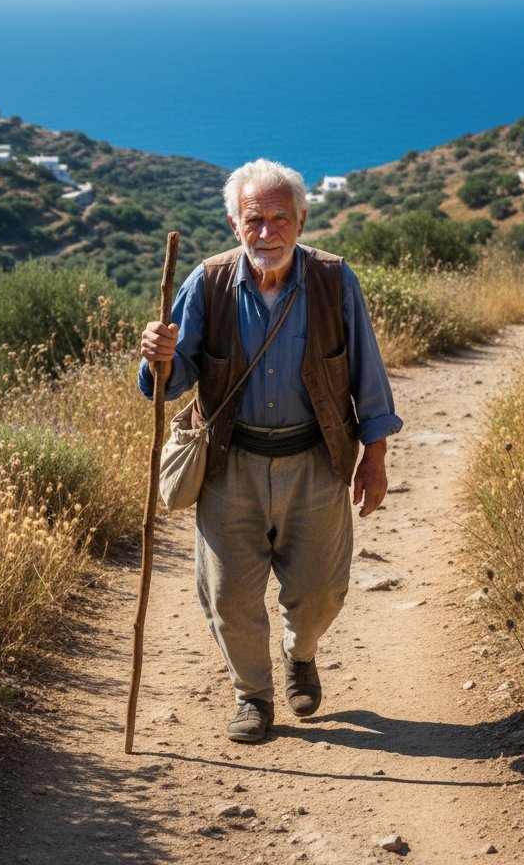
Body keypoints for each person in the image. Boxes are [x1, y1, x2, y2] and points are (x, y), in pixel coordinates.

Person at [138, 158, 402, 743]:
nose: (267, 232)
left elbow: (368, 375)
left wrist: (375, 459)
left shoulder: (336, 282)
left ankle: (300, 652)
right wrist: (156, 354)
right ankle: (252, 696)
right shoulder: (206, 284)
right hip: (230, 464)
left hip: (315, 461)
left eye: (280, 218)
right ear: (235, 224)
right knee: (229, 595)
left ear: (302, 221)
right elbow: (170, 381)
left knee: (320, 589)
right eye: (254, 219)